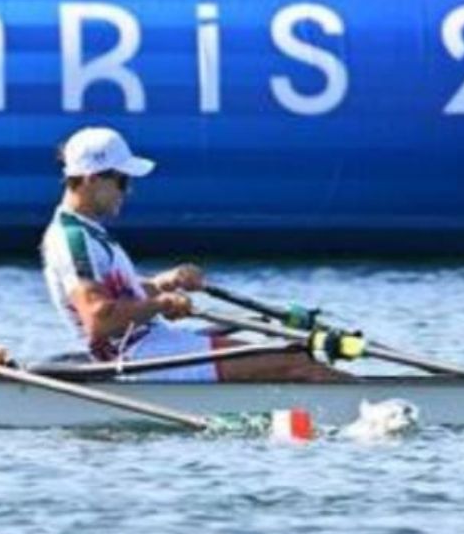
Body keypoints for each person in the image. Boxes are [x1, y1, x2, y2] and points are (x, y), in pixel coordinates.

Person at [40, 126, 343, 382]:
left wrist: (161, 284)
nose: (127, 190)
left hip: (152, 343)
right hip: (140, 356)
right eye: (122, 180)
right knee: (296, 361)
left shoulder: (87, 231)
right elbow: (99, 319)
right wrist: (161, 304)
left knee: (289, 353)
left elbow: (120, 295)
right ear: (92, 178)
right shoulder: (73, 239)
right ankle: (377, 415)